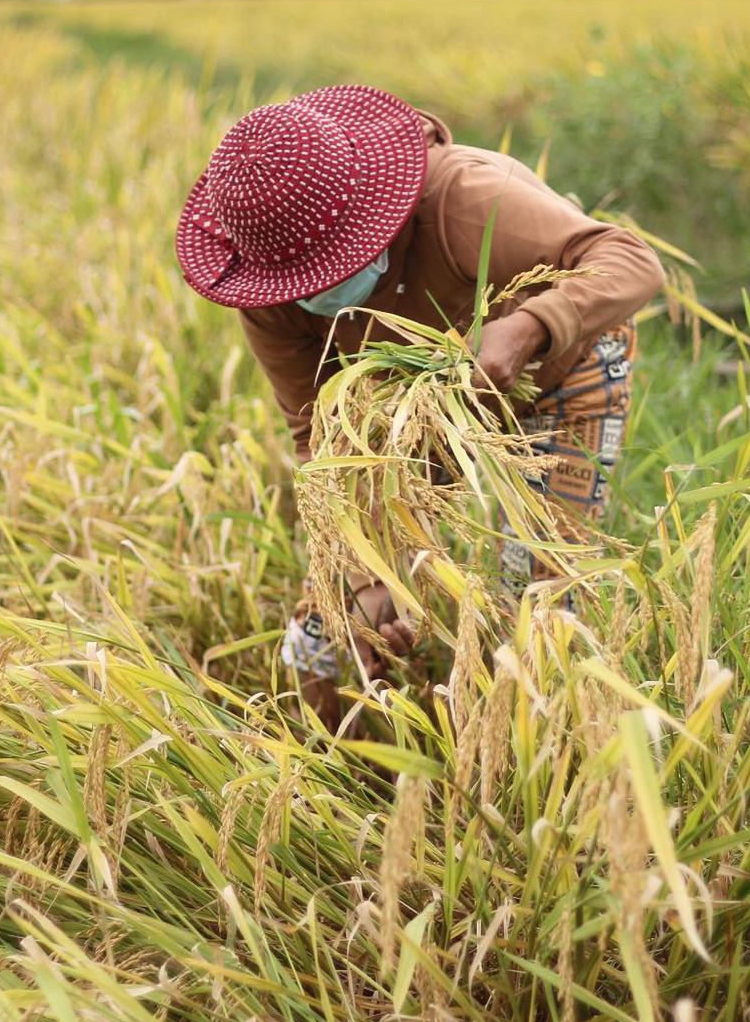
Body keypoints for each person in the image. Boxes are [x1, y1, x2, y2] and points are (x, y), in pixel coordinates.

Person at [176, 84, 665, 723]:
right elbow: (320, 436)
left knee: (540, 607)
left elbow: (628, 259)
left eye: (331, 268)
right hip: (411, 406)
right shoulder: (264, 285)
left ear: (372, 214)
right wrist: (368, 577)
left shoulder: (461, 198)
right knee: (330, 626)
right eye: (304, 283)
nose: (317, 293)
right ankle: (334, 777)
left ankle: (537, 777)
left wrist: (528, 328)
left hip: (558, 373)